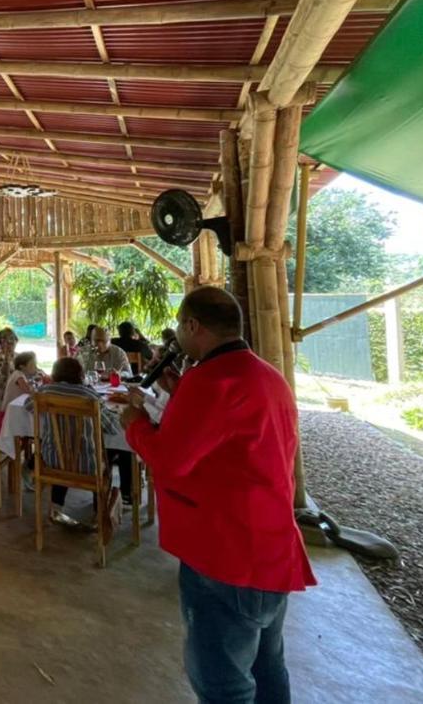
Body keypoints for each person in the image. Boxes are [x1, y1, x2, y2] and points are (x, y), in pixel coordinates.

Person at [121, 287, 315, 703]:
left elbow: (170, 459)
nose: (176, 333)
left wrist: (135, 423)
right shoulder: (265, 375)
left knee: (222, 682)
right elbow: (225, 440)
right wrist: (178, 390)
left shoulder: (211, 382)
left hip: (225, 552)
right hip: (269, 545)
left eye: (179, 324)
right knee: (266, 668)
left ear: (193, 326)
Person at [38, 357, 122, 532]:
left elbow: (28, 406)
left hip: (51, 461)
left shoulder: (44, 393)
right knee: (107, 453)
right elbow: (112, 427)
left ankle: (56, 507)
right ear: (81, 375)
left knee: (64, 454)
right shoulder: (89, 396)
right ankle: (98, 512)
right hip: (87, 466)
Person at [0, 327, 19, 400]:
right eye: (5, 341)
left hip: (19, 389)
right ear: (1, 344)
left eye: (12, 340)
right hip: (7, 395)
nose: (10, 344)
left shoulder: (18, 356)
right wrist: (7, 358)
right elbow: (2, 380)